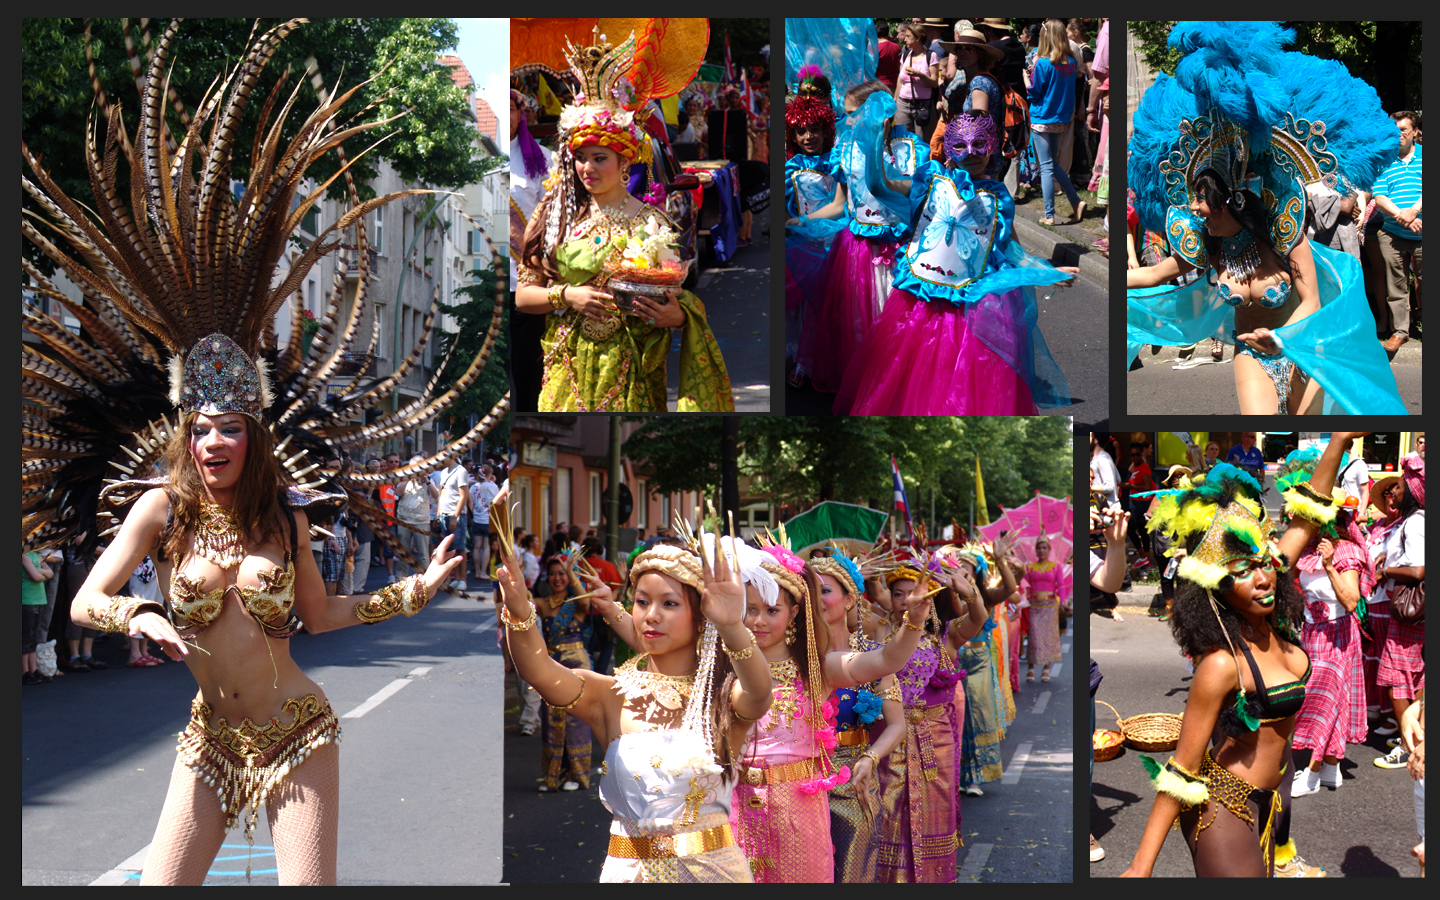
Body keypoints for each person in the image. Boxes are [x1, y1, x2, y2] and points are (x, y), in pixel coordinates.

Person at [17, 19, 512, 884]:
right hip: (208, 737)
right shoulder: (160, 511)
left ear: (254, 435)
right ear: (186, 433)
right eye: (201, 427)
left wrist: (415, 593)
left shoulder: (282, 515)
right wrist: (133, 614)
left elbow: (320, 618)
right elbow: (81, 605)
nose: (214, 440)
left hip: (297, 729)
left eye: (231, 426)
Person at [1126, 22, 1405, 414]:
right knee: (1261, 424)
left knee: (1303, 430)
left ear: (1228, 203)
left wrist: (1286, 342)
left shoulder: (1282, 233)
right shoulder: (1210, 245)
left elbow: (1311, 300)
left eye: (1201, 200)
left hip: (1302, 348)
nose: (1194, 208)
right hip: (1249, 352)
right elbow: (1153, 276)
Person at [1119, 433, 1358, 877]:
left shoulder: (1268, 601)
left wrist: (1340, 439)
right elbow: (1182, 769)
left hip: (1269, 804)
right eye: (1241, 570)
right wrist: (1139, 867)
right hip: (1224, 807)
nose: (1262, 577)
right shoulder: (1222, 663)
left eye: (1264, 561)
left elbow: (1307, 515)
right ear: (1217, 586)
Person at [495, 504, 773, 882]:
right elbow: (539, 671)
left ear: (700, 615)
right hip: (628, 873)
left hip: (712, 873)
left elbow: (760, 694)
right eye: (642, 601)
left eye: (669, 603)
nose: (651, 615)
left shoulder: (721, 696)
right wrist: (519, 610)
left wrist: (732, 626)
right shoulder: (609, 693)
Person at [516, 29, 733, 412]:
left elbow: (673, 301)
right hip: (568, 370)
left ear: (624, 162)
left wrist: (678, 316)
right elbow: (523, 296)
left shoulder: (652, 222)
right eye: (580, 158)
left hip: (632, 370)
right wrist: (566, 295)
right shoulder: (554, 214)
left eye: (599, 158)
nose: (587, 169)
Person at [835, 112, 1079, 415]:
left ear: (991, 146)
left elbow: (1014, 251)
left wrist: (1046, 272)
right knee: (915, 384)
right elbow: (879, 185)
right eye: (961, 145)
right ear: (949, 148)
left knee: (960, 390)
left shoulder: (997, 198)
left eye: (979, 143)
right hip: (920, 308)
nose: (972, 153)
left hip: (968, 315)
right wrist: (874, 138)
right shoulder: (929, 184)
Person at [802, 80, 909, 394]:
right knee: (860, 327)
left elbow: (921, 205)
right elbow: (839, 204)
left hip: (902, 255)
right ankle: (867, 390)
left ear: (880, 115)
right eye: (845, 113)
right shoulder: (845, 150)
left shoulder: (910, 151)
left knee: (896, 327)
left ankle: (894, 390)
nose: (846, 120)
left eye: (854, 113)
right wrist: (799, 219)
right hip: (858, 253)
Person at [783, 67, 847, 387]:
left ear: (825, 131)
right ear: (793, 135)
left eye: (814, 130)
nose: (808, 137)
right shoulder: (790, 167)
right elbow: (785, 210)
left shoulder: (835, 162)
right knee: (800, 303)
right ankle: (799, 359)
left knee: (825, 299)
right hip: (799, 241)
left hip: (832, 237)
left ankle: (813, 362)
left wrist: (805, 221)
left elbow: (839, 206)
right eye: (801, 131)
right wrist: (791, 223)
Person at [1373, 454, 1424, 770]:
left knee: (1396, 679)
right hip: (1412, 612)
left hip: (1409, 612)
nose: (1395, 492)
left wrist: (1386, 571)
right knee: (1412, 678)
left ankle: (1410, 747)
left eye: (1401, 487)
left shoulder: (1417, 522)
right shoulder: (1415, 521)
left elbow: (1419, 570)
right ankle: (1416, 736)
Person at [1371, 111, 1422, 353]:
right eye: (1395, 130)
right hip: (1392, 233)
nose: (1399, 134)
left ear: (1414, 131)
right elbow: (1379, 197)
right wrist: (1402, 216)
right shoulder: (1384, 159)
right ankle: (1400, 331)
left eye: (1403, 129)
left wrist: (1414, 210)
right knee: (1396, 286)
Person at [1028, 21, 1085, 226]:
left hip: (1043, 118)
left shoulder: (1042, 63)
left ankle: (1049, 214)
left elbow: (1034, 92)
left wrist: (1026, 78)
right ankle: (1076, 202)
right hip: (1061, 118)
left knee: (1046, 167)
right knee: (1052, 164)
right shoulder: (1070, 61)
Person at [1023, 537, 1063, 682]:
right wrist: (1024, 600)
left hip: (1050, 606)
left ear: (1049, 549)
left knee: (1048, 638)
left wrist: (1063, 602)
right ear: (1036, 550)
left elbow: (1061, 585)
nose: (1041, 551)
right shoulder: (1029, 567)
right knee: (1033, 638)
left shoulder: (1056, 566)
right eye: (1039, 548)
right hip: (1034, 606)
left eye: (1044, 548)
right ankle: (1031, 668)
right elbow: (1025, 586)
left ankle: (1046, 668)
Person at [893, 24, 940, 142]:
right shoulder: (905, 55)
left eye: (908, 36)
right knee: (902, 141)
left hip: (922, 107)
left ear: (918, 38)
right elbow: (900, 79)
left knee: (922, 142)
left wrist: (920, 75)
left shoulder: (930, 56)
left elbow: (934, 83)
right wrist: (896, 98)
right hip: (903, 105)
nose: (905, 39)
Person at [23, 549, 55, 684]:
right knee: (26, 638)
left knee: (34, 638)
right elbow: (37, 577)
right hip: (27, 600)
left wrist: (38, 572)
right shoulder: (24, 556)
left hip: (39, 599)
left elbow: (50, 573)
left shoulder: (37, 556)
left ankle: (33, 669)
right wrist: (41, 573)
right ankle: (24, 671)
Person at [470, 464, 500, 593]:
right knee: (487, 546)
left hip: (477, 519)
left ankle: (476, 571)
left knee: (477, 546)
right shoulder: (493, 486)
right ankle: (483, 572)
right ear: (489, 474)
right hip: (489, 520)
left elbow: (470, 502)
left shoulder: (473, 487)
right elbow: (499, 501)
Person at [873, 19, 901, 92]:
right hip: (894, 85)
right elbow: (899, 66)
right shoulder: (896, 47)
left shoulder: (875, 48)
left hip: (878, 85)